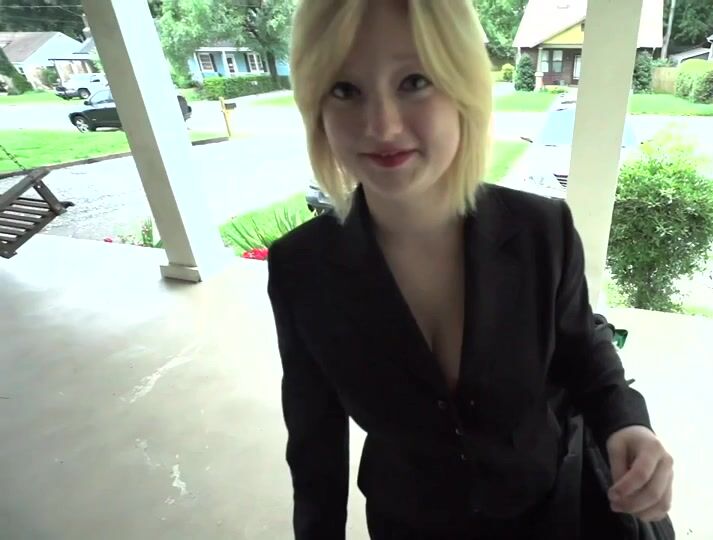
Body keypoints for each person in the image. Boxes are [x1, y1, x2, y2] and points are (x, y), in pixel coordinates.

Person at [266, 1, 674, 538]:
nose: (382, 125)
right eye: (345, 89)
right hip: (409, 524)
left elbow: (580, 347)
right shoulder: (301, 270)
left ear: (463, 89)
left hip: (552, 512)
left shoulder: (542, 230)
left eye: (414, 81)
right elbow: (314, 442)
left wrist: (626, 422)